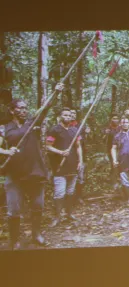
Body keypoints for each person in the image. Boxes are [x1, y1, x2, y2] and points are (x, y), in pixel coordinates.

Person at [1, 83, 64, 249]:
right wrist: (6, 152)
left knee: (37, 206)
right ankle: (14, 240)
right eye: (20, 108)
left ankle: (36, 234)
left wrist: (56, 92)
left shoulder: (32, 122)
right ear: (12, 110)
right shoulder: (5, 128)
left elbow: (44, 109)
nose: (24, 110)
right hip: (14, 175)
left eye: (26, 108)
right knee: (13, 209)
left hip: (35, 173)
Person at [46, 107, 84, 227]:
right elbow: (47, 146)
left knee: (70, 192)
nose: (67, 117)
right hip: (59, 167)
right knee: (59, 193)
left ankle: (69, 213)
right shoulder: (54, 130)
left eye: (69, 115)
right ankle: (57, 216)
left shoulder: (74, 130)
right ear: (60, 116)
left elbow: (78, 146)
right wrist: (60, 152)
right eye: (65, 115)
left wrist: (80, 161)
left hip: (73, 166)